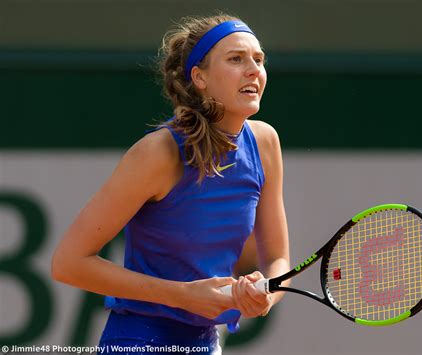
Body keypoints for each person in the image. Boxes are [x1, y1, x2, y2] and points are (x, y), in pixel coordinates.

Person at [51, 13, 290, 354]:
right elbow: (68, 263)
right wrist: (181, 295)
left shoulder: (265, 143)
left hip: (207, 344)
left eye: (258, 59)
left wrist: (264, 291)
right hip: (138, 342)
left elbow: (278, 258)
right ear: (199, 77)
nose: (253, 69)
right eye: (236, 59)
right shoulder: (158, 153)